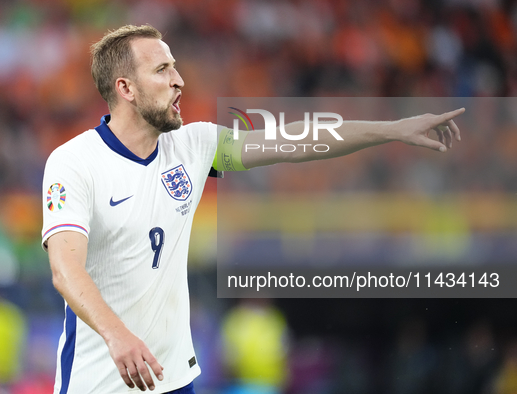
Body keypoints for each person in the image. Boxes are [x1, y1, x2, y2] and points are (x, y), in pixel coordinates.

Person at [41, 24, 463, 394]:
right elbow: (66, 270)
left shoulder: (195, 145)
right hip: (98, 381)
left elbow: (297, 142)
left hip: (173, 379)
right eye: (162, 70)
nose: (179, 80)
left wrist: (391, 129)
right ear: (125, 88)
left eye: (175, 66)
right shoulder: (73, 163)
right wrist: (118, 337)